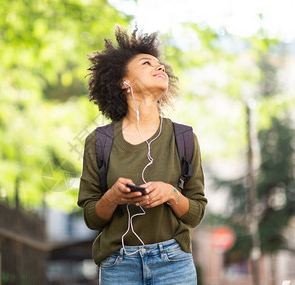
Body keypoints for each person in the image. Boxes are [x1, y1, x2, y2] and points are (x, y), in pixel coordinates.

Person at [77, 25, 207, 285]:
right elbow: (92, 218)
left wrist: (171, 194)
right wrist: (113, 196)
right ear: (123, 82)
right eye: (147, 63)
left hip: (174, 263)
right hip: (118, 264)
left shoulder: (184, 138)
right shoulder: (99, 141)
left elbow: (195, 214)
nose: (159, 68)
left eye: (161, 65)